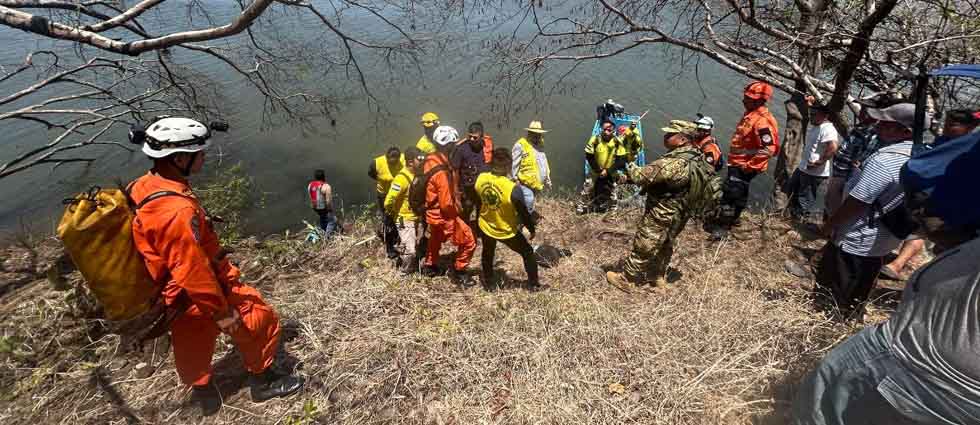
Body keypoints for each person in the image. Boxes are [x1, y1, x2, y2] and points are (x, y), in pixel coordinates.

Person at [791, 129, 980, 425]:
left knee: (825, 390)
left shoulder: (892, 160)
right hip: (883, 255)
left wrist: (829, 228)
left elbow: (883, 192)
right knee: (855, 292)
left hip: (925, 368)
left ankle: (829, 326)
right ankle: (843, 320)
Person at [127, 117, 303, 416]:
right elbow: (191, 269)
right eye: (200, 153)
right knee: (261, 321)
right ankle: (262, 382)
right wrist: (222, 313)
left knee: (191, 345)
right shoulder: (176, 211)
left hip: (172, 296)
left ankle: (204, 393)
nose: (204, 157)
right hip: (200, 291)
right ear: (180, 158)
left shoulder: (143, 186)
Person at [816, 103, 920, 317]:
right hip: (881, 240)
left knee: (836, 290)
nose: (879, 126)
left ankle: (828, 322)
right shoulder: (919, 155)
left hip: (856, 238)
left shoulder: (885, 160)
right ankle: (848, 315)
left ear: (906, 132)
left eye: (887, 124)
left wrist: (829, 225)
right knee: (860, 286)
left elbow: (857, 202)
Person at [606, 120, 716, 290]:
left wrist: (625, 162)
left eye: (670, 134)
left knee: (645, 243)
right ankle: (658, 276)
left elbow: (640, 176)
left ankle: (627, 278)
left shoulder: (672, 163)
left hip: (662, 211)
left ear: (682, 140)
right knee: (666, 243)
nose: (665, 136)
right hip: (681, 211)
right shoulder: (696, 155)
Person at [710, 81, 780, 240]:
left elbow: (769, 149)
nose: (743, 100)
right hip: (739, 163)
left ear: (758, 101)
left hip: (744, 165)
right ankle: (734, 220)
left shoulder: (762, 121)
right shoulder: (752, 114)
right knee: (740, 192)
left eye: (748, 98)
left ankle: (722, 228)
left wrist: (749, 166)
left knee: (730, 194)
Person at [476, 148, 541, 291]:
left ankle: (489, 283)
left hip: (486, 225)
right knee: (527, 253)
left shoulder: (480, 178)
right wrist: (531, 229)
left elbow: (477, 200)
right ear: (508, 166)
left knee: (488, 252)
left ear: (491, 163)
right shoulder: (513, 189)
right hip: (505, 230)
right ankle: (534, 284)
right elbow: (524, 214)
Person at [423, 125, 477, 287]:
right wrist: (457, 212)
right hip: (442, 214)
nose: (455, 147)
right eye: (453, 144)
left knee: (436, 238)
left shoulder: (430, 160)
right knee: (469, 241)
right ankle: (460, 272)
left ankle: (430, 266)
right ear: (448, 146)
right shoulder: (442, 171)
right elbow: (446, 203)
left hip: (431, 213)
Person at [785, 102, 839, 224]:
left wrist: (819, 162)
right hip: (803, 168)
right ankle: (791, 219)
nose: (811, 117)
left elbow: (833, 147)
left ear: (824, 115)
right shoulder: (817, 126)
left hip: (814, 173)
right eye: (810, 114)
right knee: (792, 190)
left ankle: (798, 224)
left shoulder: (828, 129)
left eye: (814, 114)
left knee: (804, 199)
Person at [826, 100, 881, 216]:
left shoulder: (872, 133)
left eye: (865, 111)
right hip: (839, 173)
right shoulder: (861, 127)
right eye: (862, 109)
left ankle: (831, 232)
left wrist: (849, 180)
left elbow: (862, 160)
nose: (861, 113)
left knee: (837, 207)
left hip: (846, 177)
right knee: (830, 203)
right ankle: (827, 229)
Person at [385, 147, 425, 273]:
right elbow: (388, 201)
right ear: (410, 162)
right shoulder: (401, 179)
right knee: (411, 250)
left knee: (414, 244)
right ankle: (404, 272)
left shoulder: (417, 174)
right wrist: (392, 213)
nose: (422, 161)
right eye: (419, 159)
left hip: (416, 216)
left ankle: (411, 261)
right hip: (404, 218)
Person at [452, 121, 493, 234]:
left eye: (475, 137)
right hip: (467, 188)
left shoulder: (487, 147)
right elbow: (455, 171)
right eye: (469, 136)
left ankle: (479, 231)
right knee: (466, 211)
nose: (472, 140)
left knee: (482, 210)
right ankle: (464, 233)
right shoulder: (461, 149)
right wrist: (456, 192)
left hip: (482, 189)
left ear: (481, 136)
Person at [579, 120, 628, 214]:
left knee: (613, 193)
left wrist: (608, 171)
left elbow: (621, 160)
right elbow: (589, 156)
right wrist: (599, 170)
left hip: (611, 172)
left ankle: (612, 212)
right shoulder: (595, 139)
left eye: (609, 130)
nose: (606, 132)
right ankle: (581, 208)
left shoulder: (617, 142)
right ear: (601, 129)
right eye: (604, 129)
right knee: (587, 190)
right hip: (595, 171)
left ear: (613, 131)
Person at [368, 146, 405, 259]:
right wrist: (381, 181)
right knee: (388, 220)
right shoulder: (377, 163)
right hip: (384, 195)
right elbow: (371, 174)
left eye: (395, 162)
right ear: (386, 157)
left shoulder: (404, 159)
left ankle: (399, 237)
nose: (393, 164)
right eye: (390, 161)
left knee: (400, 216)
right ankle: (390, 248)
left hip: (399, 194)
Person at [511, 120, 552, 213]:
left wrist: (547, 178)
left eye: (539, 134)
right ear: (529, 133)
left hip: (536, 184)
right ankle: (523, 223)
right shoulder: (520, 145)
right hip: (524, 183)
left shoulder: (540, 145)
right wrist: (515, 179)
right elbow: (514, 164)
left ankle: (525, 218)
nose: (537, 136)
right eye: (534, 134)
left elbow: (544, 161)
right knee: (529, 200)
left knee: (530, 202)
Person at [307, 169, 338, 237]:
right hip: (323, 208)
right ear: (324, 176)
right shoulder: (326, 187)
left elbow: (311, 197)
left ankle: (323, 232)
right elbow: (328, 202)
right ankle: (327, 238)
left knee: (323, 218)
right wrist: (330, 210)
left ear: (315, 177)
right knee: (333, 220)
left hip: (315, 207)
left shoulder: (310, 185)